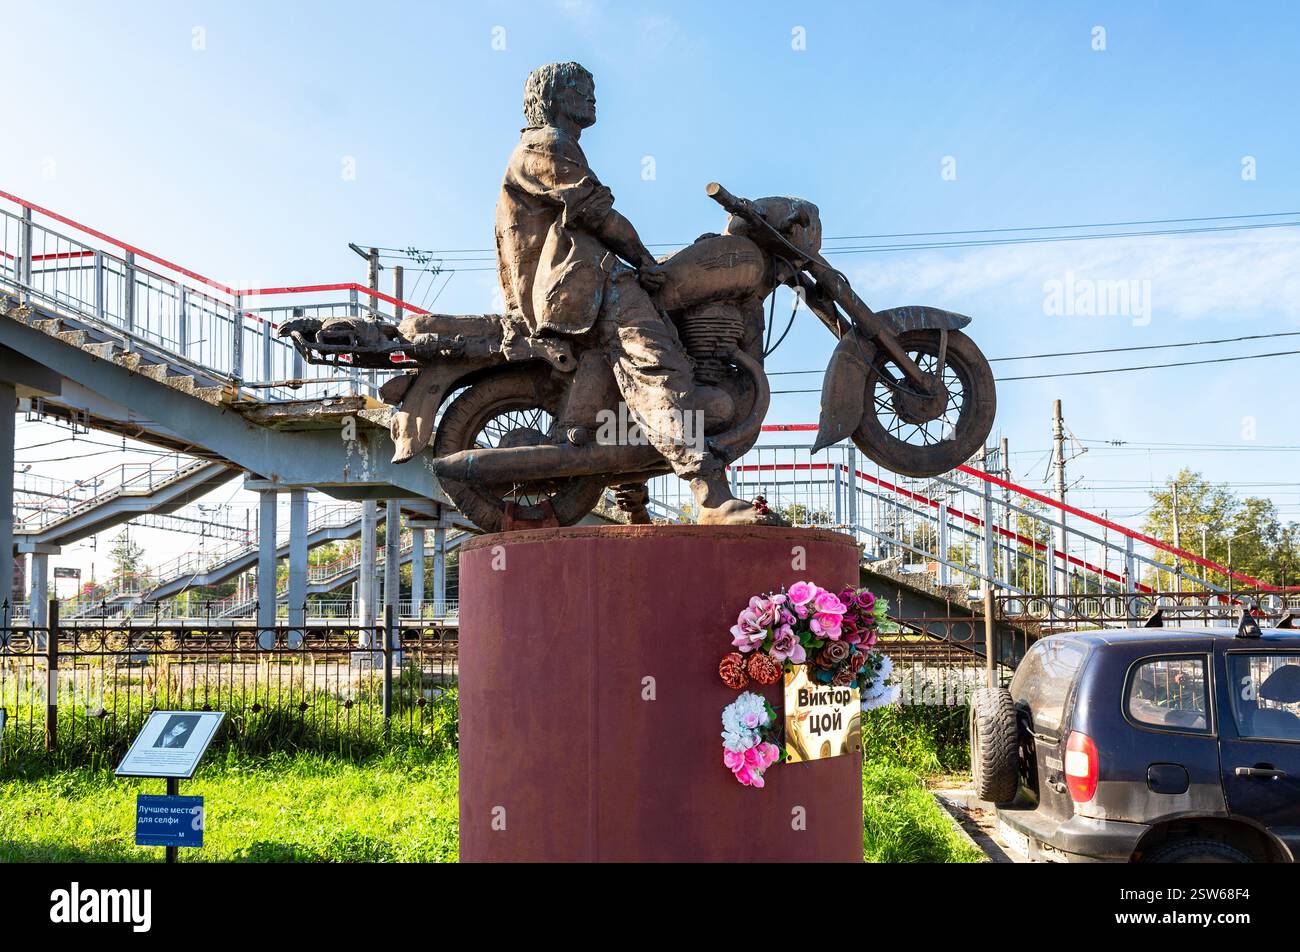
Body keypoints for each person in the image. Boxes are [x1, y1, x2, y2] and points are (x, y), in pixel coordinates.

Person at [494, 62, 782, 526]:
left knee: (644, 361)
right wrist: (646, 263)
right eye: (581, 90)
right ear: (552, 95)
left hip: (582, 281)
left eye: (592, 89)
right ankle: (710, 494)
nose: (592, 98)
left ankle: (633, 500)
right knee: (660, 366)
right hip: (579, 285)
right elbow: (600, 216)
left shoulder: (547, 146)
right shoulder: (547, 144)